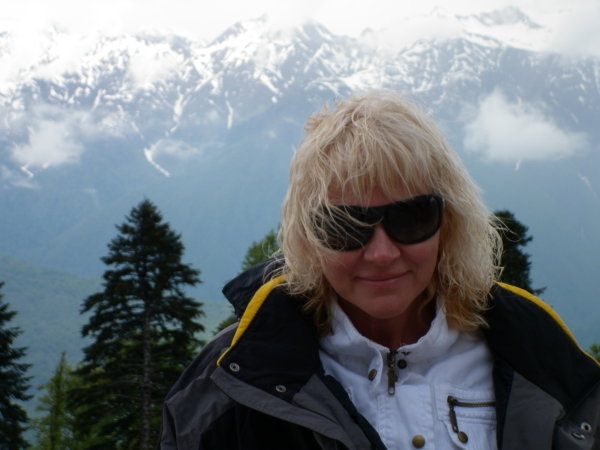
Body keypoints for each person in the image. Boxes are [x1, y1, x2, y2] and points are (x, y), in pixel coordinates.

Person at [160, 91, 600, 449]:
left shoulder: (541, 359)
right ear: (307, 237)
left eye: (411, 218)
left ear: (449, 223)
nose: (382, 253)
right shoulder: (223, 386)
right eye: (345, 227)